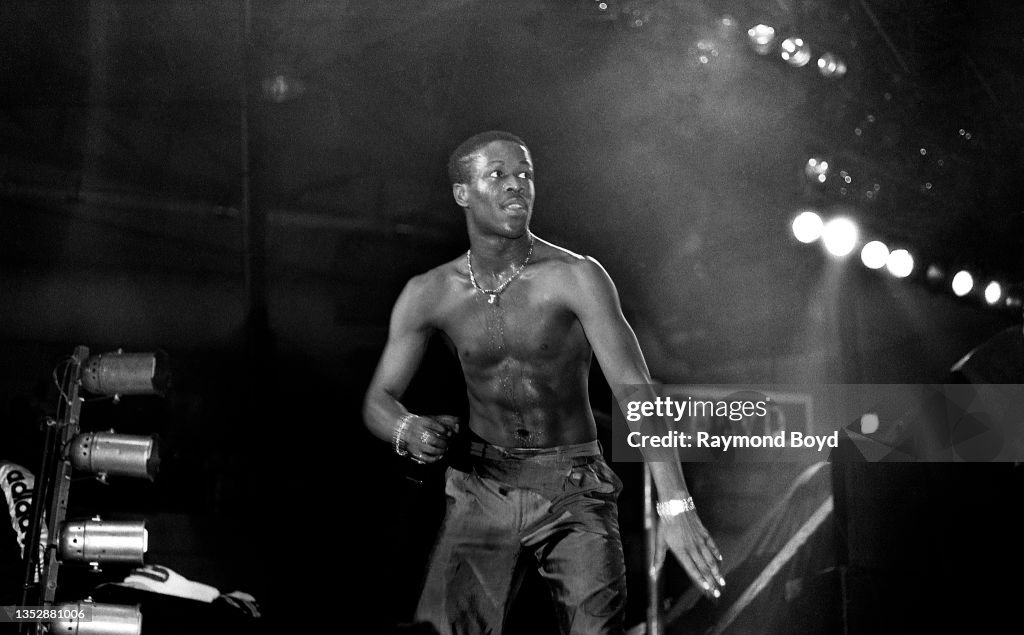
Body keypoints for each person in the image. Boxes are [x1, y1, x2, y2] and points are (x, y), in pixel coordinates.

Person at [363, 130, 724, 635]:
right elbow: (378, 401)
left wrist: (676, 506)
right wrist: (407, 429)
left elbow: (636, 392)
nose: (517, 186)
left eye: (525, 175)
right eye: (498, 175)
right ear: (462, 193)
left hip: (572, 484)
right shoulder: (430, 292)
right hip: (482, 483)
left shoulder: (575, 276)